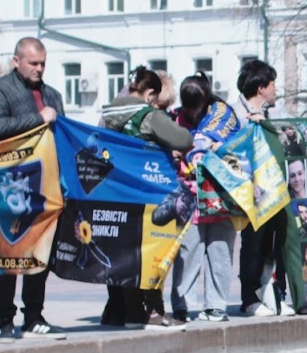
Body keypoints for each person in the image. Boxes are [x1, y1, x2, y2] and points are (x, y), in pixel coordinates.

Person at [0, 37, 66, 342]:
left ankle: (34, 317)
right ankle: (5, 319)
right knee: (8, 255)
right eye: (33, 63)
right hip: (9, 186)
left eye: (43, 63)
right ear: (16, 61)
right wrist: (38, 119)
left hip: (45, 187)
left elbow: (62, 136)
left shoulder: (53, 94)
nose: (39, 69)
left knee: (39, 255)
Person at [98, 67, 193, 328]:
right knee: (153, 254)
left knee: (126, 257)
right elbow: (183, 138)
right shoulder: (148, 116)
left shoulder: (108, 114)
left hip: (117, 194)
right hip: (147, 195)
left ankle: (130, 313)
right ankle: (153, 312)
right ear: (150, 94)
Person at [173, 74, 239, 322]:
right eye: (187, 108)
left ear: (206, 101)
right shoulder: (174, 118)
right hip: (189, 196)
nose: (191, 113)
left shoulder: (224, 116)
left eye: (196, 107)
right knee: (187, 252)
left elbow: (236, 148)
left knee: (220, 251)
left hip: (220, 195)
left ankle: (216, 305)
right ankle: (182, 304)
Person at [233, 60, 289, 316]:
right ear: (261, 88)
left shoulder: (273, 114)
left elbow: (285, 140)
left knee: (275, 246)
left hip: (276, 192)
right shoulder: (235, 114)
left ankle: (275, 295)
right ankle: (250, 298)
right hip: (250, 193)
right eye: (272, 84)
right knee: (253, 246)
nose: (276, 89)